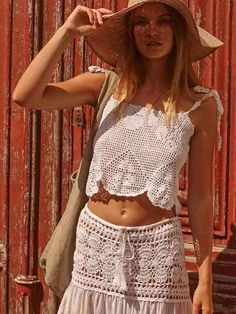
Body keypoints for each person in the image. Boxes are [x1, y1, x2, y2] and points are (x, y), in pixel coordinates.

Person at [13, 1, 224, 313]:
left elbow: (201, 198)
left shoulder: (199, 105)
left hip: (157, 255)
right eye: (141, 22)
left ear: (178, 32)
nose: (151, 31)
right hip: (94, 247)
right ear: (130, 32)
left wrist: (205, 278)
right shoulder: (107, 86)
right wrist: (67, 31)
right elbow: (25, 96)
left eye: (163, 21)